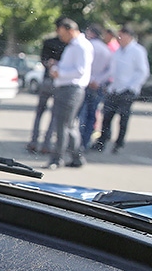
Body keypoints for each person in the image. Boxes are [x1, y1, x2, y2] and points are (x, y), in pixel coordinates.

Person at [92, 24, 150, 154]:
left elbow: (143, 72)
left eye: (121, 36)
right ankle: (102, 142)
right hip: (115, 89)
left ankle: (119, 144)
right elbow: (112, 71)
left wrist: (132, 87)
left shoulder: (137, 51)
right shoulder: (118, 51)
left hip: (128, 90)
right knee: (107, 117)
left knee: (123, 119)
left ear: (129, 36)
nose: (119, 38)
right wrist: (105, 84)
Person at [46, 17, 93, 169]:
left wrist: (58, 72)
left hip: (71, 89)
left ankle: (57, 159)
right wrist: (57, 66)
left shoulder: (81, 46)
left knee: (62, 125)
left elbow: (80, 70)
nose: (60, 37)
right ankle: (77, 157)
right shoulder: (74, 45)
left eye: (62, 33)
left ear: (70, 30)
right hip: (67, 88)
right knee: (69, 125)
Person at [26, 33, 67, 154]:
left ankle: (33, 141)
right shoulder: (68, 44)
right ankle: (46, 144)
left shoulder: (49, 42)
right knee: (54, 115)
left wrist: (50, 65)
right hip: (59, 81)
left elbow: (43, 60)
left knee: (40, 112)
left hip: (47, 79)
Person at [78, 24, 113, 151]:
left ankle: (76, 142)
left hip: (85, 84)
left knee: (80, 114)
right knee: (92, 115)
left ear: (91, 33)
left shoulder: (87, 46)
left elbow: (81, 65)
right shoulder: (106, 49)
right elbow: (110, 70)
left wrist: (90, 79)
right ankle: (85, 142)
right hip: (97, 86)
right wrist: (98, 80)